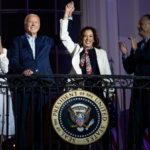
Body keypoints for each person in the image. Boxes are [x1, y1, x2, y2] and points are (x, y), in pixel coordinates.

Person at [9, 2, 74, 150]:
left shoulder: (46, 40)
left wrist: (67, 15)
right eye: (30, 22)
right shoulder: (17, 41)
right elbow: (13, 62)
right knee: (22, 121)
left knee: (40, 121)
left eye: (36, 22)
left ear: (39, 25)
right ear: (25, 25)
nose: (33, 24)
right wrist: (22, 70)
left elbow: (64, 34)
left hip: (43, 84)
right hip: (23, 86)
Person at [60, 5, 115, 150]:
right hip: (80, 93)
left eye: (90, 36)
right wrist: (66, 15)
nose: (88, 38)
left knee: (101, 126)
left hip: (98, 91)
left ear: (94, 39)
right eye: (85, 36)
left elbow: (107, 74)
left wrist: (111, 93)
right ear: (82, 38)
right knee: (82, 128)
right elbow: (64, 37)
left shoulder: (101, 53)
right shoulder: (76, 50)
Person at [119, 14, 150, 150]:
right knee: (136, 125)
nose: (138, 26)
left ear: (149, 26)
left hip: (149, 91)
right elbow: (130, 69)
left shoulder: (137, 47)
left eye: (141, 24)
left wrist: (136, 50)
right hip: (137, 93)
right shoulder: (137, 45)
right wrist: (125, 54)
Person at [0, 37, 15, 150]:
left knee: (2, 121)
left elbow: (5, 69)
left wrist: (0, 50)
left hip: (2, 91)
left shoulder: (4, 51)